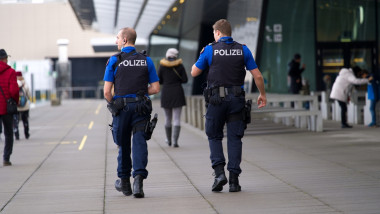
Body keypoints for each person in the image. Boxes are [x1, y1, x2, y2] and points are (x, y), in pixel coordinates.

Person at [191, 19, 266, 192]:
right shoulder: (243, 49)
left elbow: (194, 72)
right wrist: (262, 94)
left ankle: (219, 174)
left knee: (214, 136)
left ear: (217, 33)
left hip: (216, 100)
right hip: (236, 100)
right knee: (235, 138)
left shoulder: (210, 49)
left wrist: (202, 55)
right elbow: (258, 76)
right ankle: (234, 180)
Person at [103, 27, 160, 198]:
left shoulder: (114, 60)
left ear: (125, 40)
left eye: (118, 38)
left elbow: (106, 92)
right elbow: (156, 88)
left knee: (123, 145)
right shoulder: (146, 60)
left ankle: (125, 183)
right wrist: (140, 93)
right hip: (141, 107)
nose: (116, 41)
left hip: (123, 108)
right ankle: (138, 183)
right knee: (140, 142)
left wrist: (115, 103)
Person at [158, 48, 188, 147]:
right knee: (176, 118)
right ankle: (175, 141)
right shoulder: (180, 66)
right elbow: (185, 80)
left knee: (167, 118)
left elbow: (159, 81)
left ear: (167, 55)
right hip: (177, 92)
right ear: (176, 55)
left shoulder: (162, 66)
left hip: (166, 92)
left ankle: (169, 140)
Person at [0, 49, 19, 166]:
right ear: (5, 59)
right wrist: (15, 102)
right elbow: (14, 90)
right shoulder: (11, 72)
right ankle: (6, 158)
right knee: (8, 133)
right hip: (6, 108)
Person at [13, 71, 31, 140]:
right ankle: (26, 134)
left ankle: (16, 135)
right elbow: (28, 94)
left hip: (16, 106)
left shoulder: (14, 83)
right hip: (25, 106)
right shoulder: (25, 84)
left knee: (15, 121)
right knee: (25, 120)